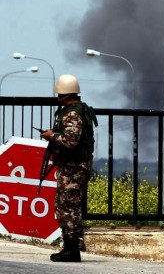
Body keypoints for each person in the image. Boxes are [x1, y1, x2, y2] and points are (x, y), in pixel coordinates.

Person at [41, 74, 97, 262]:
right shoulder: (76, 110)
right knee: (64, 205)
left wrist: (51, 136)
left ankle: (72, 250)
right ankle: (69, 247)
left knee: (69, 207)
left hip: (74, 167)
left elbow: (70, 141)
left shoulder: (72, 113)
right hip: (71, 166)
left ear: (64, 94)